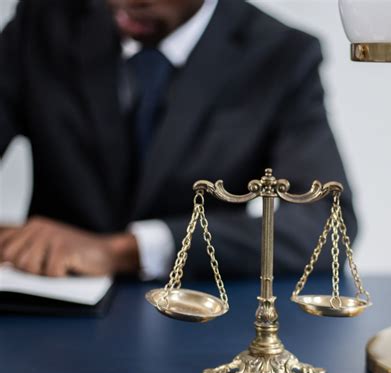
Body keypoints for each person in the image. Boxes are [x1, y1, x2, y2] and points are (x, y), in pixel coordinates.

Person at [0, 0, 357, 279]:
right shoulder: (39, 25)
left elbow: (328, 226)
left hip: (198, 309)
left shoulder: (282, 55)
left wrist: (128, 250)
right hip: (47, 299)